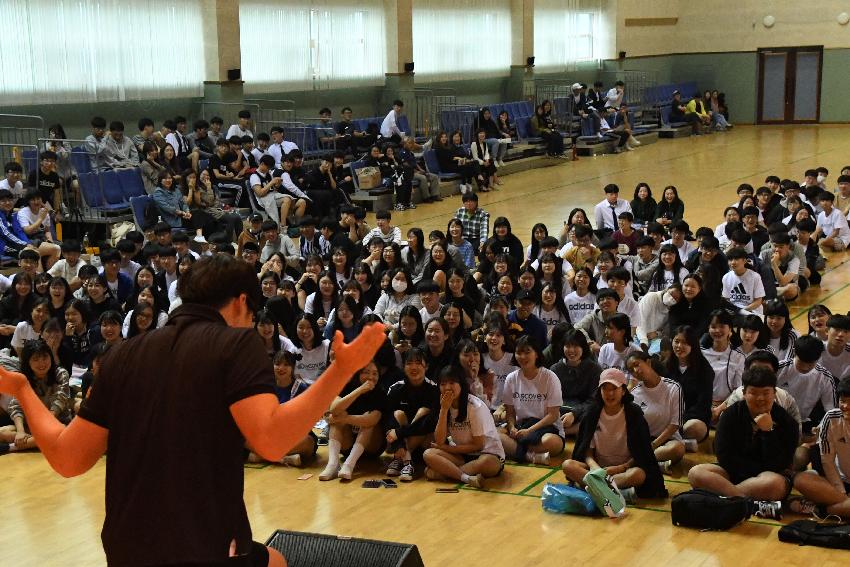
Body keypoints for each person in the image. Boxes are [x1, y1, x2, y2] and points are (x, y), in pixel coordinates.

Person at [0, 254, 387, 565]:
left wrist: (21, 388)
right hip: (206, 547)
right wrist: (341, 370)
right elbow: (272, 441)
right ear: (240, 303)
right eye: (252, 315)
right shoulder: (236, 344)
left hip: (126, 549)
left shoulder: (122, 356)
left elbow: (68, 458)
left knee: (273, 558)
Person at [687, 366, 799, 518]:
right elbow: (724, 456)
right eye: (753, 393)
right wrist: (745, 475)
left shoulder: (787, 422)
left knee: (776, 484)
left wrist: (768, 432)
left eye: (766, 393)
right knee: (696, 473)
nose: (760, 398)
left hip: (767, 477)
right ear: (745, 393)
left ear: (774, 394)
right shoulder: (731, 415)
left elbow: (780, 463)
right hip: (734, 473)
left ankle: (724, 499)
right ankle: (750, 505)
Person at [562, 368, 668, 502]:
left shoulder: (634, 414)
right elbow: (587, 451)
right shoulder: (592, 413)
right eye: (605, 388)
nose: (609, 393)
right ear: (599, 391)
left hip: (624, 469)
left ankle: (596, 490)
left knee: (638, 474)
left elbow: (642, 452)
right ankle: (618, 493)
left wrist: (620, 468)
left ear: (623, 391)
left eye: (614, 388)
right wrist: (596, 468)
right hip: (598, 469)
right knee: (568, 465)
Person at [423, 365, 505, 488]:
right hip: (462, 456)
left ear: (461, 384)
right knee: (428, 454)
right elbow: (439, 440)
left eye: (452, 383)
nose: (447, 388)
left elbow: (478, 445)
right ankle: (466, 478)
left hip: (487, 454)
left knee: (486, 462)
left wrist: (447, 449)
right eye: (443, 384)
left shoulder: (474, 406)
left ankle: (446, 473)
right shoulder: (444, 403)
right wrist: (444, 410)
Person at [499, 336, 565, 465]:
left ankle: (515, 451)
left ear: (537, 354)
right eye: (519, 353)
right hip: (521, 427)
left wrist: (529, 431)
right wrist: (512, 427)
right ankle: (530, 456)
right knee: (493, 435)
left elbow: (553, 415)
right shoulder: (511, 378)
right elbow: (510, 412)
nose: (522, 356)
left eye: (527, 352)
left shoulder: (550, 377)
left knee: (551, 442)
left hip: (546, 428)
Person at [791, 376, 850, 519]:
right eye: (843, 401)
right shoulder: (831, 418)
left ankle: (822, 510)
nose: (846, 407)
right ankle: (843, 507)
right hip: (838, 482)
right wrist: (841, 492)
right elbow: (827, 461)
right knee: (801, 479)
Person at [383, 347, 440, 482]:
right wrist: (398, 443)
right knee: (397, 413)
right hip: (398, 444)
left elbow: (429, 423)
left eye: (418, 363)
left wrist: (400, 433)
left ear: (426, 366)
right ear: (403, 367)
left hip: (425, 442)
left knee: (423, 412)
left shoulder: (434, 389)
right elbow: (387, 417)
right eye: (409, 363)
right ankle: (406, 461)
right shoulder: (396, 388)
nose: (414, 367)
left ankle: (402, 459)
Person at [626, 352, 685, 473]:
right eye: (632, 370)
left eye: (637, 364)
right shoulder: (634, 393)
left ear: (648, 362)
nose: (636, 370)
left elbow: (675, 425)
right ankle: (655, 465)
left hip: (666, 440)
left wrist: (653, 445)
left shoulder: (673, 387)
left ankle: (642, 463)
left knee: (677, 449)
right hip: (644, 441)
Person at [666, 325, 713, 451]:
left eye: (685, 343)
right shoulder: (666, 365)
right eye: (676, 341)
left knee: (695, 428)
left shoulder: (704, 370)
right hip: (668, 417)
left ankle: (671, 440)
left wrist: (679, 421)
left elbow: (703, 404)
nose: (679, 346)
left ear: (693, 345)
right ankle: (681, 443)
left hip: (691, 418)